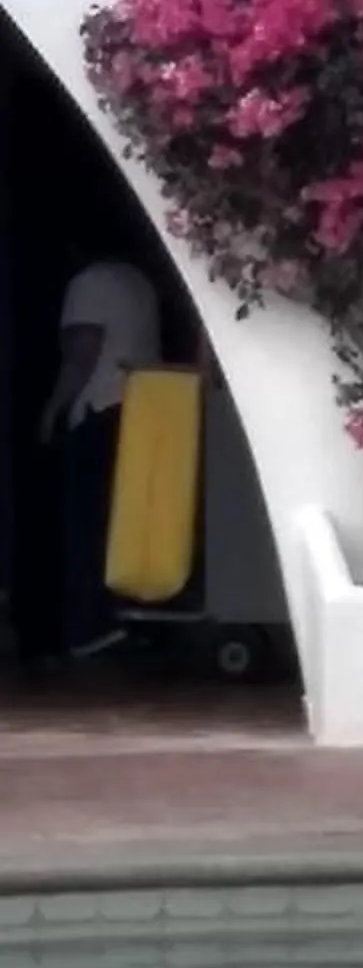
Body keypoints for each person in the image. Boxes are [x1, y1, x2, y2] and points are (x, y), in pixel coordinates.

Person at [39, 246, 161, 660]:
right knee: (128, 522)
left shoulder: (88, 284)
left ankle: (88, 625)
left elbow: (82, 355)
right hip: (146, 409)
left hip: (101, 409)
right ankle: (130, 616)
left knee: (87, 521)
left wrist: (53, 408)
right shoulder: (139, 283)